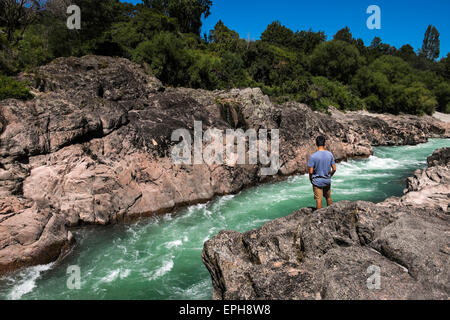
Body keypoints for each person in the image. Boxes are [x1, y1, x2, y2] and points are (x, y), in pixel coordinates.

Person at [307, 136, 337, 209]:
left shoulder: (313, 156)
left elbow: (311, 172)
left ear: (316, 144)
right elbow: (334, 169)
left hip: (317, 181)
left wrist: (311, 179)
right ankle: (331, 213)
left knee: (319, 200)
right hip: (327, 180)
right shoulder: (330, 154)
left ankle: (319, 217)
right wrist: (329, 175)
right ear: (324, 144)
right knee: (328, 197)